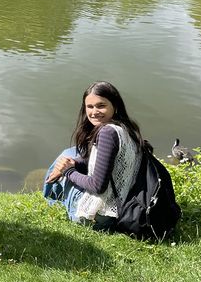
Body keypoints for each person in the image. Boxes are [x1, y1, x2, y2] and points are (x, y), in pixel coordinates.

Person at [45, 81, 143, 230]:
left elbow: (97, 187)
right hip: (123, 204)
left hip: (99, 217)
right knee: (71, 156)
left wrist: (68, 170)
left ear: (115, 106)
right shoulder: (126, 127)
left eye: (101, 105)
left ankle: (51, 197)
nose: (94, 112)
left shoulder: (107, 133)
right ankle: (52, 193)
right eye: (89, 107)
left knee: (66, 157)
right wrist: (74, 164)